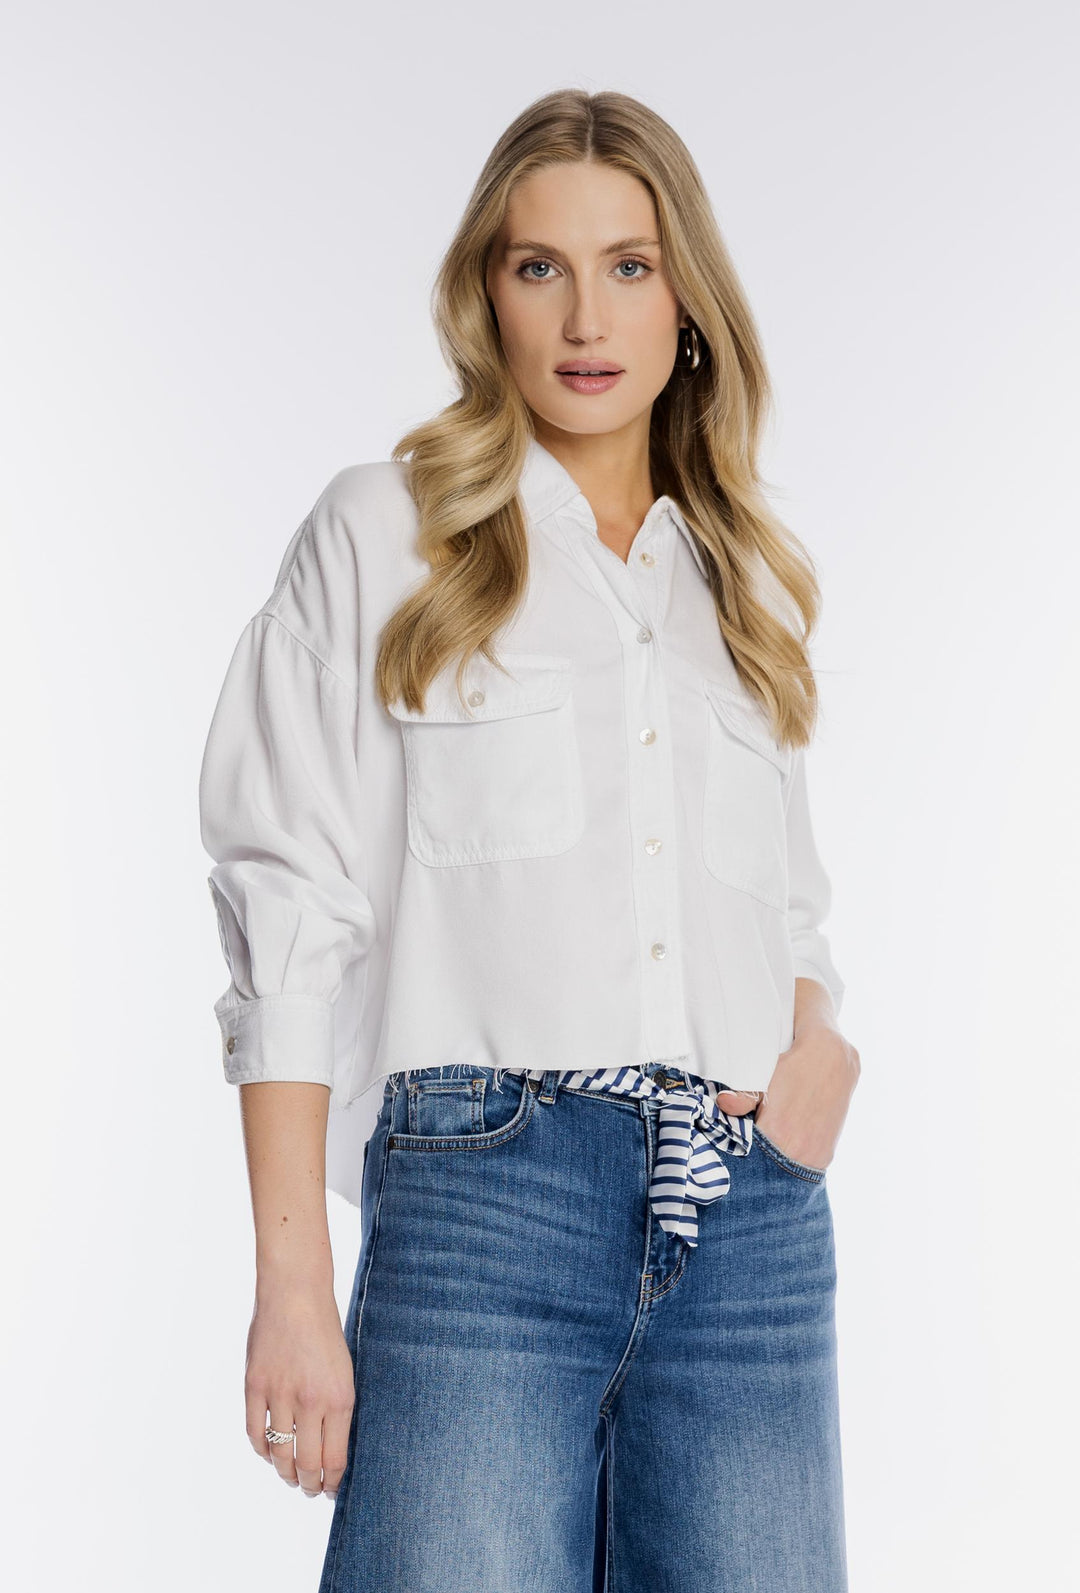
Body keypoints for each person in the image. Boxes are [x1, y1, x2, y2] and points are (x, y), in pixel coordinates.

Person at [198, 87, 861, 1593]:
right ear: (484, 292)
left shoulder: (741, 587)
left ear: (688, 304)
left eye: (630, 265)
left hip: (750, 1226)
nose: (584, 317)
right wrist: (293, 1279)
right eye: (537, 265)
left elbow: (785, 910)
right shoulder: (385, 533)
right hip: (488, 1207)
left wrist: (819, 1043)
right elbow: (288, 898)